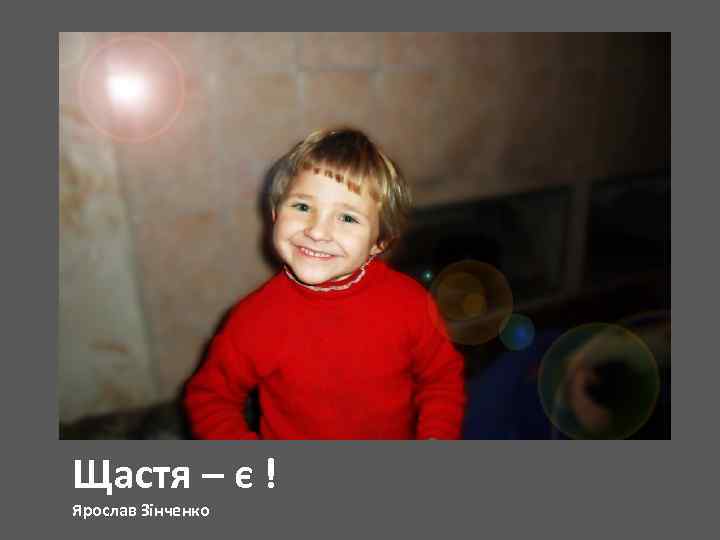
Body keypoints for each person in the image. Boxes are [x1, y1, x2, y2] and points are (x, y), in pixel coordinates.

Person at [184, 128, 466, 439]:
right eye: (303, 207)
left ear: (380, 241)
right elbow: (209, 399)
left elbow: (441, 378)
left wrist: (436, 435)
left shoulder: (410, 303)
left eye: (347, 218)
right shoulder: (254, 319)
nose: (317, 232)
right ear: (276, 214)